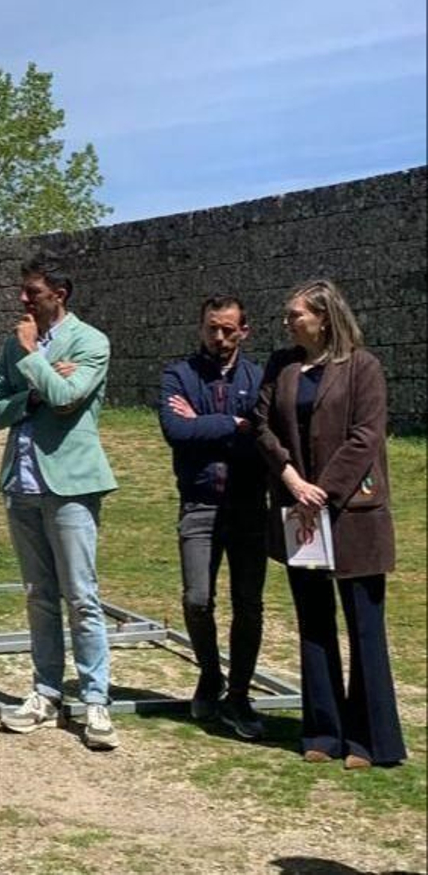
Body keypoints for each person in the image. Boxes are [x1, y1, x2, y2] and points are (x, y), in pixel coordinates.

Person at [254, 279, 404, 769]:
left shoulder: (363, 367)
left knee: (364, 626)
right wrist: (293, 479)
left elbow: (366, 437)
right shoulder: (283, 365)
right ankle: (323, 729)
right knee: (313, 622)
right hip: (300, 512)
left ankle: (368, 739)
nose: (287, 322)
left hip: (352, 515)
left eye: (295, 314)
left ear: (324, 316)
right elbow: (262, 424)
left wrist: (324, 490)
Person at [0, 253, 119, 750]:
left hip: (70, 487)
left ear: (58, 295)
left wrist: (34, 362)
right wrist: (33, 392)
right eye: (24, 290)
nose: (23, 299)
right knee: (39, 594)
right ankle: (45, 692)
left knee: (81, 595)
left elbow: (69, 397)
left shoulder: (90, 341)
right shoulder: (14, 343)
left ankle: (96, 699)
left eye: (33, 292)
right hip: (21, 486)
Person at [158, 295, 268, 739]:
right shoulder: (178, 374)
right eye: (211, 328)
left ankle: (239, 694)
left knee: (249, 603)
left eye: (227, 329)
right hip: (200, 504)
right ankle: (209, 672)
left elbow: (264, 433)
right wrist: (234, 424)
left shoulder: (261, 377)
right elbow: (177, 432)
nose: (218, 337)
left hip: (247, 506)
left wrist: (211, 421)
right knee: (197, 598)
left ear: (244, 330)